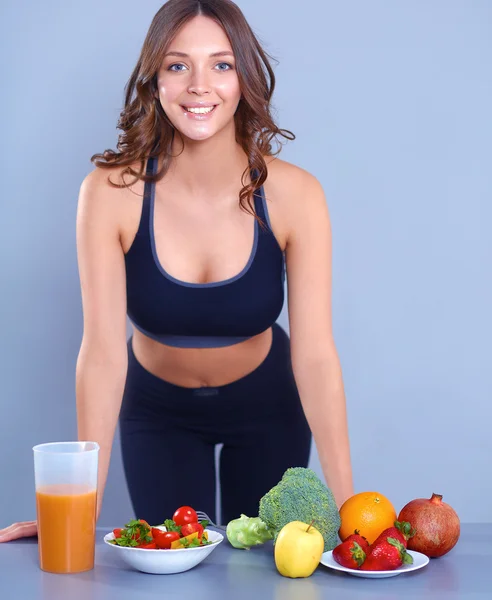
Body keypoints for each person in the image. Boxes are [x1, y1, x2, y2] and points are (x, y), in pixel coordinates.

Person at [0, 0, 353, 543]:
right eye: (177, 64)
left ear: (245, 79)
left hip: (269, 407)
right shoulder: (109, 193)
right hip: (157, 414)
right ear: (154, 80)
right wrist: (77, 513)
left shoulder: (295, 194)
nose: (199, 85)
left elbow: (315, 355)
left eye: (222, 64)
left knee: (260, 574)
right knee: (172, 574)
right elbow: (100, 353)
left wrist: (350, 505)